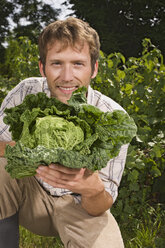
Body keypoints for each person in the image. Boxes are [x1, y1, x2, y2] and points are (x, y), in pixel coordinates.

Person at [0, 17, 128, 248]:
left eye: (78, 64)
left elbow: (100, 204)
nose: (67, 76)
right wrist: (23, 150)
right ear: (42, 67)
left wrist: (93, 189)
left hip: (80, 207)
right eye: (57, 63)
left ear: (94, 69)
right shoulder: (26, 92)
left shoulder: (112, 118)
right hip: (31, 195)